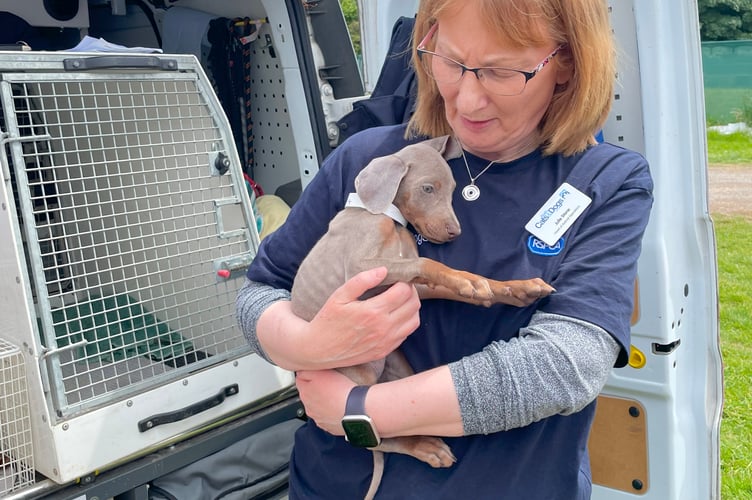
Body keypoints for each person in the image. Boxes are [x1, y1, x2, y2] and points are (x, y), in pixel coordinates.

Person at [236, 0, 653, 498]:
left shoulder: (607, 179)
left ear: (565, 63)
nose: (468, 100)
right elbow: (262, 290)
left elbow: (567, 363)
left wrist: (358, 408)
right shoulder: (371, 160)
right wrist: (308, 347)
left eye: (502, 72)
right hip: (335, 484)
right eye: (452, 63)